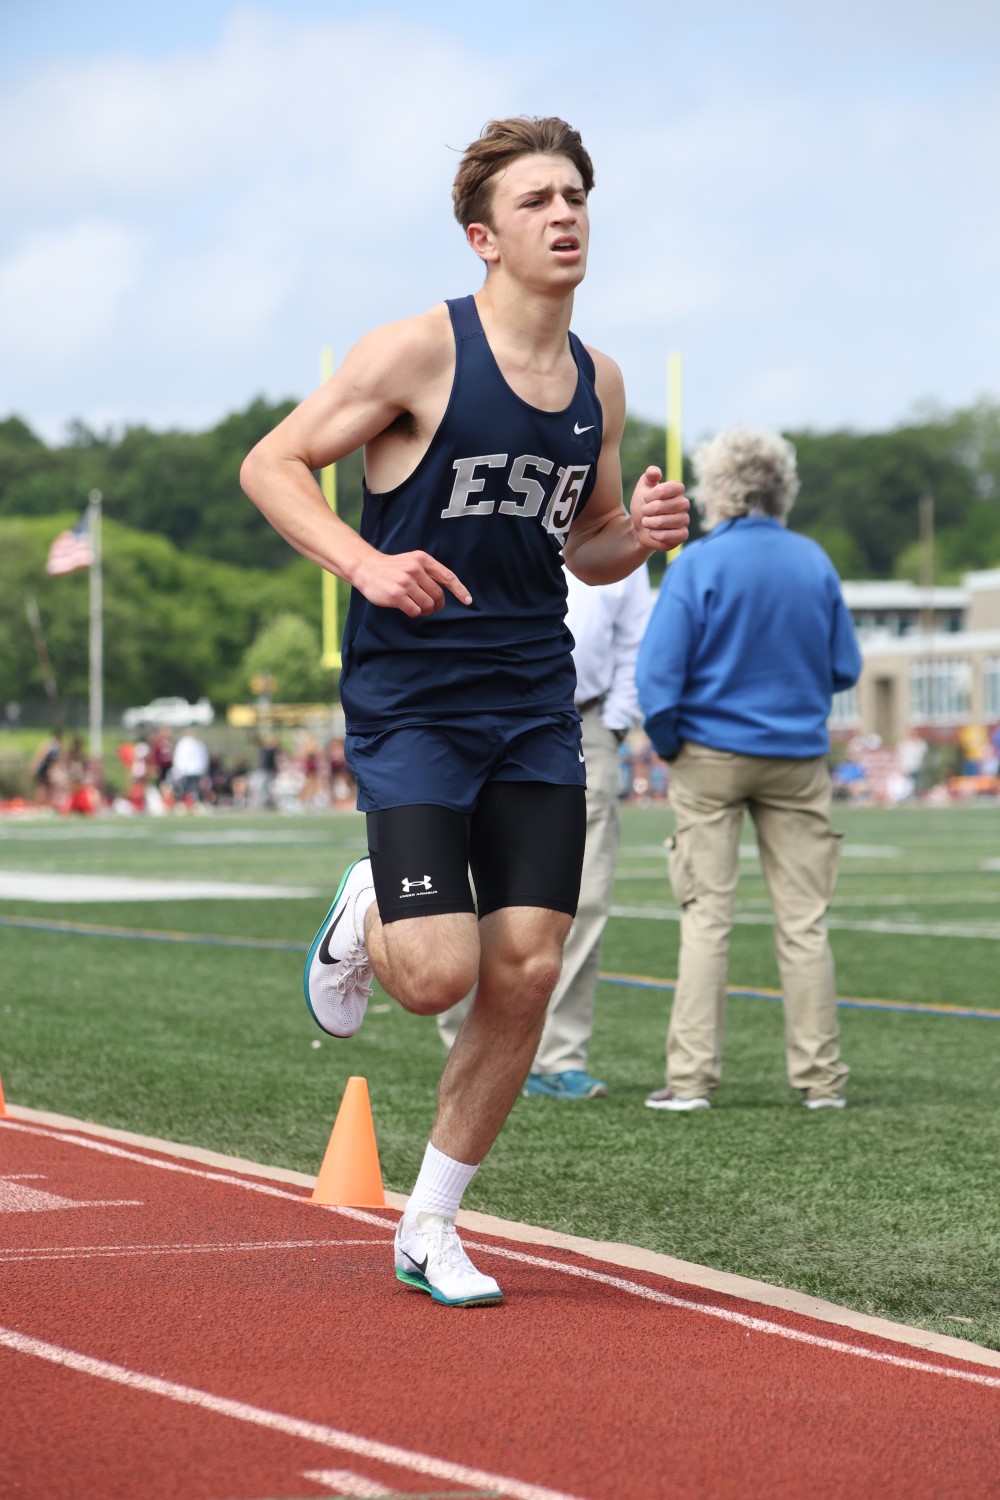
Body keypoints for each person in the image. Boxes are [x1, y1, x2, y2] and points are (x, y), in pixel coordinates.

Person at [240, 115, 689, 1307]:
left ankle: (429, 1223)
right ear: (484, 237)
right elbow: (271, 465)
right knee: (438, 976)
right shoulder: (417, 354)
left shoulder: (598, 381)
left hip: (533, 696)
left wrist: (637, 536)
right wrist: (363, 563)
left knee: (528, 969)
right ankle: (370, 901)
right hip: (414, 701)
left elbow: (586, 545)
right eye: (537, 199)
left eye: (574, 194)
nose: (564, 213)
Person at [635, 425, 862, 1113]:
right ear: (781, 487)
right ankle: (821, 1080)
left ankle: (692, 1080)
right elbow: (844, 666)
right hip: (797, 756)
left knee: (707, 918)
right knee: (804, 923)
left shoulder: (698, 564)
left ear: (719, 489)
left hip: (710, 755)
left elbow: (657, 678)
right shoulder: (813, 560)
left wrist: (672, 745)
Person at [435, 564, 652, 1099]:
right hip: (469, 711)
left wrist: (614, 722)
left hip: (580, 720)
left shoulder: (615, 533)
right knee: (462, 888)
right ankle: (467, 1049)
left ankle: (558, 1055)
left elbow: (634, 638)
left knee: (582, 896)